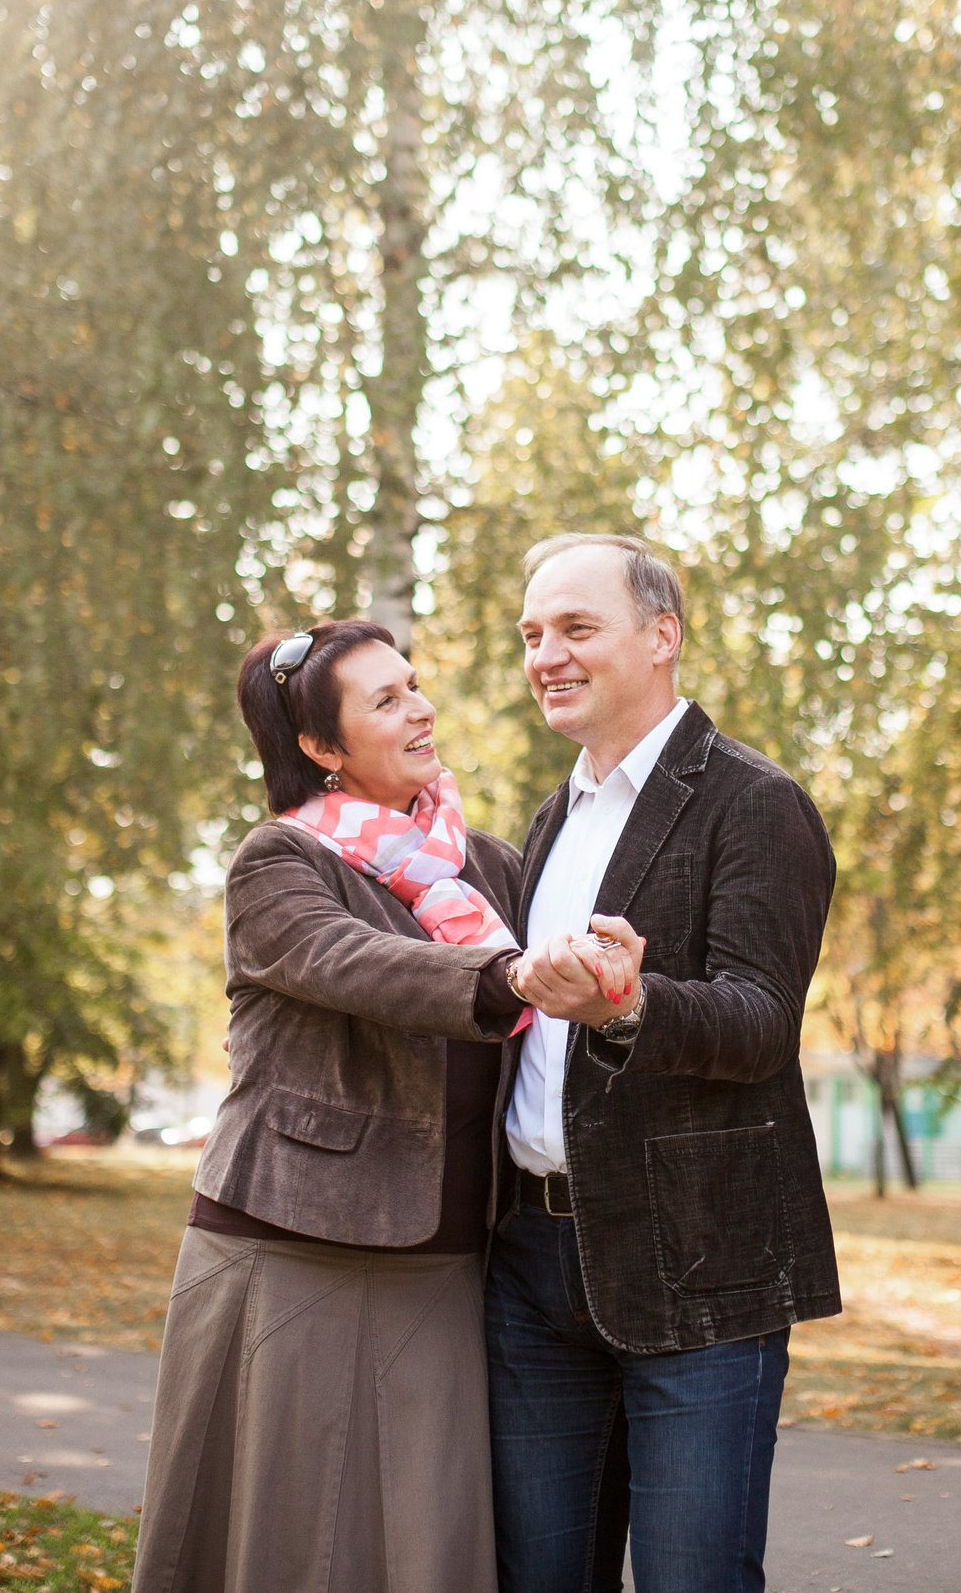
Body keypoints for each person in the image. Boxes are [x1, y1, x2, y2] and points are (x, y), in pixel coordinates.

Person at [136, 619, 608, 1592]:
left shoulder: (486, 864)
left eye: (415, 685)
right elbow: (357, 966)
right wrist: (510, 974)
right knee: (279, 1543)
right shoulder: (279, 861)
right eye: (385, 700)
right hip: (289, 1246)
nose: (420, 708)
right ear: (320, 747)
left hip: (439, 1258)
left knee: (424, 1543)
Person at [488, 534, 839, 1593]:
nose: (547, 653)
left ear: (663, 637)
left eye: (576, 628)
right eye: (532, 634)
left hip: (700, 1270)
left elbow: (760, 1019)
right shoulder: (554, 819)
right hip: (531, 1271)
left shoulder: (754, 801)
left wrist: (633, 1004)